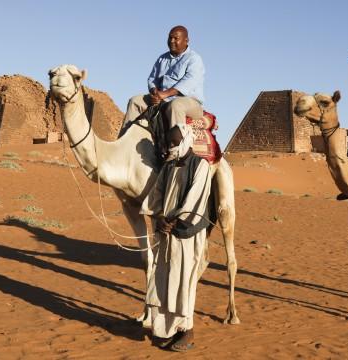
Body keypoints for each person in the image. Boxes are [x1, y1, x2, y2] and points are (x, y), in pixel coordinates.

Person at [140, 124, 212, 352]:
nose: (172, 146)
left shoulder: (200, 166)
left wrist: (176, 222)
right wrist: (160, 216)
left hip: (186, 235)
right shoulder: (169, 165)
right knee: (163, 280)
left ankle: (187, 331)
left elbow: (196, 199)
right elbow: (157, 194)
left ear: (187, 140)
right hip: (166, 233)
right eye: (170, 142)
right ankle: (168, 330)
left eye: (175, 142)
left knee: (183, 282)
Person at [121, 25, 205, 147]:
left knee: (176, 105)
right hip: (161, 98)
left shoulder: (194, 59)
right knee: (135, 101)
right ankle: (124, 143)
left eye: (176, 38)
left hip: (189, 102)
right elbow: (152, 79)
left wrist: (165, 94)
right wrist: (154, 91)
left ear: (186, 41)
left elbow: (189, 82)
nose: (172, 41)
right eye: (170, 38)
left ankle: (177, 150)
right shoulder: (162, 59)